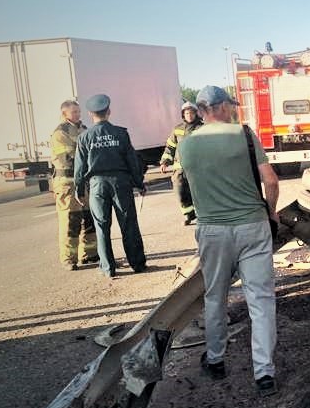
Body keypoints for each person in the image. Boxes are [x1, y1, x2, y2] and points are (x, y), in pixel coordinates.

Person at [178, 85, 281, 396]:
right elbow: (271, 181)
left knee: (215, 296)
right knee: (260, 300)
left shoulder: (186, 145)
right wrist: (271, 212)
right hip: (252, 226)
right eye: (230, 106)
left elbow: (189, 185)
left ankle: (216, 359)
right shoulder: (245, 135)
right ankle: (264, 374)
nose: (233, 110)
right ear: (220, 107)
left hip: (212, 230)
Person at [73, 93, 148, 278]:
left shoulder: (84, 137)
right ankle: (137, 264)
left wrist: (78, 189)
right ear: (109, 111)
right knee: (128, 224)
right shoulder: (121, 133)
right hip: (120, 183)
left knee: (101, 227)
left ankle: (108, 268)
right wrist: (139, 183)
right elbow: (132, 161)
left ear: (91, 114)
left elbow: (80, 166)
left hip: (97, 186)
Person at [50, 100, 98, 270]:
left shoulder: (84, 129)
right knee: (71, 222)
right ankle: (69, 259)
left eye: (78, 111)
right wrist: (91, 159)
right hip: (67, 184)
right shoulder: (60, 133)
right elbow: (68, 159)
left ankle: (90, 254)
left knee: (89, 219)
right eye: (74, 112)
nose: (78, 114)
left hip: (84, 182)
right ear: (65, 114)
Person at [159, 101, 204, 224]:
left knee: (198, 193)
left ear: (196, 114)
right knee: (180, 193)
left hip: (197, 169)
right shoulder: (177, 129)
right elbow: (170, 147)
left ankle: (202, 215)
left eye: (191, 113)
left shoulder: (202, 128)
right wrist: (165, 162)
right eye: (187, 113)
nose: (189, 115)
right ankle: (188, 214)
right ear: (183, 114)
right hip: (180, 170)